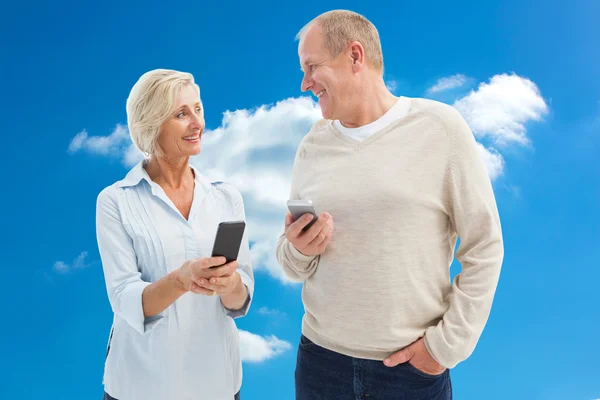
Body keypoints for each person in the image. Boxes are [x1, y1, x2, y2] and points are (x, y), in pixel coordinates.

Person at [276, 10, 504, 400]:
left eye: (312, 67)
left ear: (354, 56)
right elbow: (290, 261)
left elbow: (484, 246)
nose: (304, 83)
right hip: (320, 365)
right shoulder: (313, 145)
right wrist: (298, 249)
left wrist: (444, 349)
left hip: (410, 374)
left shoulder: (441, 128)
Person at [96, 69, 254, 400]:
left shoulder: (226, 198)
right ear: (152, 124)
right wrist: (181, 280)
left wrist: (231, 284)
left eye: (198, 109)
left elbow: (240, 302)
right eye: (181, 114)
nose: (197, 123)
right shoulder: (115, 201)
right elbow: (125, 298)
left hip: (217, 385)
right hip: (140, 386)